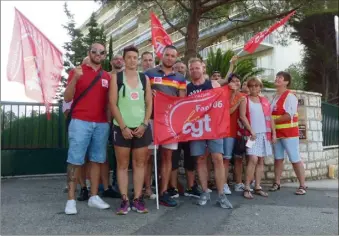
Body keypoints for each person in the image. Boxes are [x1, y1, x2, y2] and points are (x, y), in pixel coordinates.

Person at [64, 43, 111, 215]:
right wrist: (75, 78)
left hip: (101, 123)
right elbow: (67, 97)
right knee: (75, 160)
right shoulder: (77, 72)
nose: (98, 54)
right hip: (80, 121)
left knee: (97, 160)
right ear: (89, 53)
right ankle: (70, 200)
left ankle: (94, 196)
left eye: (101, 52)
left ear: (105, 55)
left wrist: (108, 122)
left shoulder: (107, 76)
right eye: (94, 51)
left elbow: (109, 103)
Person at [109, 46, 152, 215]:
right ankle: (125, 200)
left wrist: (144, 124)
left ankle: (138, 199)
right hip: (122, 128)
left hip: (141, 127)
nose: (132, 60)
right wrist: (123, 127)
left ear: (138, 59)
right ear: (124, 59)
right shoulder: (116, 78)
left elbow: (149, 103)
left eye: (135, 57)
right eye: (129, 57)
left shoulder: (144, 79)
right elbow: (113, 103)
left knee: (140, 164)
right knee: (122, 165)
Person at [187, 57, 233, 209]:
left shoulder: (213, 84)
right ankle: (205, 191)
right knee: (200, 159)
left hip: (213, 127)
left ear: (203, 68)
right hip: (196, 128)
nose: (194, 70)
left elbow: (221, 103)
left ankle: (221, 194)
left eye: (197, 68)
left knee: (218, 158)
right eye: (192, 69)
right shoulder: (187, 88)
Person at [145, 45, 187, 207]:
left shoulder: (180, 78)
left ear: (176, 58)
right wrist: (150, 94)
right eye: (167, 55)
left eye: (173, 56)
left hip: (170, 122)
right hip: (151, 119)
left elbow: (181, 101)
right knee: (148, 156)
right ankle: (148, 190)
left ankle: (163, 192)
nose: (169, 58)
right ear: (162, 56)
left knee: (167, 157)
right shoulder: (149, 74)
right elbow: (142, 94)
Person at [269, 71, 307, 195]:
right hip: (277, 133)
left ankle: (302, 185)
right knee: (278, 158)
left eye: (280, 78)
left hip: (289, 133)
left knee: (294, 158)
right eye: (277, 77)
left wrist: (273, 122)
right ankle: (277, 182)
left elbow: (288, 115)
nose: (277, 79)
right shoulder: (275, 97)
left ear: (286, 82)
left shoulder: (290, 96)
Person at [239, 77, 276, 199]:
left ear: (260, 87)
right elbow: (242, 116)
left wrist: (274, 133)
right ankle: (247, 187)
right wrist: (251, 130)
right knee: (253, 159)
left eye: (256, 85)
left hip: (264, 134)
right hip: (252, 135)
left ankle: (258, 186)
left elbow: (270, 118)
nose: (254, 88)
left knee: (260, 161)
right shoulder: (245, 99)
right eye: (251, 86)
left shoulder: (264, 100)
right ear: (248, 87)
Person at [222, 73, 247, 195]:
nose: (236, 83)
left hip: (239, 132)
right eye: (233, 81)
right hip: (227, 131)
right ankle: (224, 184)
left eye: (238, 81)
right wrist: (237, 102)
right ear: (229, 83)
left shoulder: (242, 96)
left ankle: (238, 183)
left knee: (238, 159)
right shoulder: (224, 94)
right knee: (226, 159)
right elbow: (227, 112)